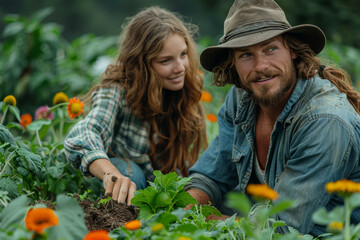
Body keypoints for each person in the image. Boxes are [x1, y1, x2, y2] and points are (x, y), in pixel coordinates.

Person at [185, 0, 360, 236]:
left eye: (270, 49)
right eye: (246, 54)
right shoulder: (241, 99)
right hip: (262, 219)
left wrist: (206, 221)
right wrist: (185, 209)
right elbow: (211, 174)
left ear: (293, 50)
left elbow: (284, 227)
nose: (261, 66)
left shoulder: (325, 121)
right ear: (233, 64)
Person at [64, 6, 207, 205]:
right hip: (120, 187)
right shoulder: (116, 90)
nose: (180, 67)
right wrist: (112, 175)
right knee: (129, 172)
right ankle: (118, 227)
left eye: (183, 55)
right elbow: (83, 135)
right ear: (141, 63)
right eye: (166, 60)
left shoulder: (182, 94)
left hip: (155, 187)